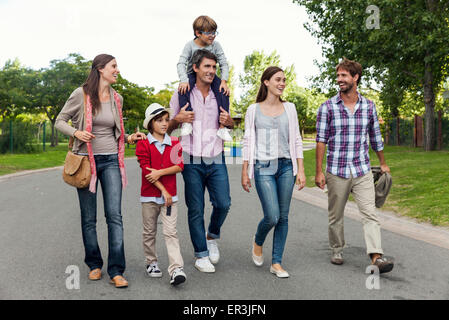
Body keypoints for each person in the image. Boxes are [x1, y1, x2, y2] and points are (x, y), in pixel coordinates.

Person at [55, 54, 146, 288]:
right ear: (100, 69)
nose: (117, 70)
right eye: (114, 66)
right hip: (87, 162)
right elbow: (60, 121)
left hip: (112, 161)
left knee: (114, 216)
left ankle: (116, 270)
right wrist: (76, 133)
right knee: (89, 218)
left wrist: (128, 137)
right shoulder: (81, 94)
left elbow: (114, 132)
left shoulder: (118, 98)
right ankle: (94, 264)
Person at [315, 57, 394, 274]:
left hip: (362, 170)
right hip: (337, 171)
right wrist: (319, 171)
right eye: (338, 75)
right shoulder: (328, 107)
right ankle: (337, 249)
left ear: (355, 77)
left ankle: (376, 256)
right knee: (336, 215)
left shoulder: (369, 106)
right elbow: (321, 140)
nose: (339, 79)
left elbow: (375, 137)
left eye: (344, 75)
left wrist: (383, 164)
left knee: (369, 212)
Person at [168, 49, 234, 273]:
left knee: (223, 203)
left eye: (214, 67)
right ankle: (201, 255)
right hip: (190, 157)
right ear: (195, 68)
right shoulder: (181, 93)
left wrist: (230, 121)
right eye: (207, 66)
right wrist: (178, 119)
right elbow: (166, 127)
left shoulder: (221, 92)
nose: (211, 71)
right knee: (195, 208)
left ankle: (212, 236)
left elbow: (230, 123)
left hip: (216, 156)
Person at [241, 66, 306, 278]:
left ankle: (276, 262)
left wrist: (301, 169)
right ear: (266, 82)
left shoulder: (290, 108)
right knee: (272, 215)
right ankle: (258, 240)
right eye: (278, 79)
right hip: (263, 167)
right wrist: (244, 170)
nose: (282, 83)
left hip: (287, 166)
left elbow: (296, 139)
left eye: (284, 80)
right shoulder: (253, 110)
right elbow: (248, 141)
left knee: (284, 217)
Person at [135, 103, 186, 286]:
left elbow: (179, 166)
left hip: (171, 198)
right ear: (150, 124)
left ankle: (176, 269)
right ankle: (151, 262)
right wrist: (163, 189)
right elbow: (147, 172)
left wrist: (160, 173)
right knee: (149, 231)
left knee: (171, 232)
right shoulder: (143, 145)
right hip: (149, 197)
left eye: (166, 120)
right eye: (159, 120)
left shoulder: (174, 142)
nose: (164, 124)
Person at [176, 15, 232, 141]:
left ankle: (222, 127)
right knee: (182, 90)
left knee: (224, 91)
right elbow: (181, 63)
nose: (212, 35)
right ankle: (187, 122)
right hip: (192, 74)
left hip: (210, 76)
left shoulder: (216, 45)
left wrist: (224, 81)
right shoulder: (190, 46)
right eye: (208, 33)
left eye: (214, 32)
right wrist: (184, 80)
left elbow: (223, 63)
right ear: (198, 33)